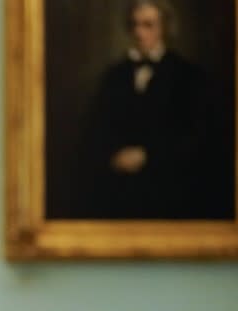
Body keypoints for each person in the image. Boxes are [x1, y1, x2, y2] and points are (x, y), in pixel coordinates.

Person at [77, 0, 221, 219]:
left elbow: (196, 137)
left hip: (170, 191)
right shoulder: (114, 76)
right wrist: (112, 156)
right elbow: (95, 130)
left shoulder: (187, 76)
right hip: (119, 193)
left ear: (164, 28)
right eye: (134, 25)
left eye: (148, 25)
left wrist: (148, 156)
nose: (139, 32)